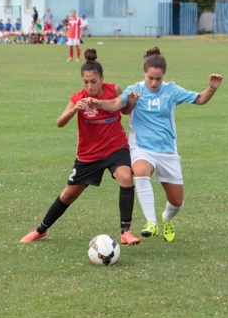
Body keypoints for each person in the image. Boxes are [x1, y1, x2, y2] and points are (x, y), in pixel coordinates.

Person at [85, 47, 223, 242]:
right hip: (142, 148)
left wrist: (212, 88)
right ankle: (151, 223)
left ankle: (167, 219)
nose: (154, 82)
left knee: (176, 202)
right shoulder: (135, 90)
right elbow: (116, 104)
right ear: (145, 74)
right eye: (150, 78)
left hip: (167, 151)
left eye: (158, 79)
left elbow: (200, 99)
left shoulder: (172, 90)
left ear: (163, 76)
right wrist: (97, 103)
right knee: (140, 172)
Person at [20, 49, 141, 246]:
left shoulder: (114, 89)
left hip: (115, 147)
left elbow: (124, 110)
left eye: (93, 81)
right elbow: (59, 122)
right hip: (89, 155)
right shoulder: (78, 98)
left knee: (125, 177)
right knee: (68, 195)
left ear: (102, 78)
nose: (90, 86)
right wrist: (74, 110)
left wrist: (132, 103)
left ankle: (126, 231)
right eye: (86, 82)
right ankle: (41, 229)